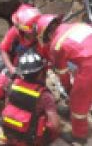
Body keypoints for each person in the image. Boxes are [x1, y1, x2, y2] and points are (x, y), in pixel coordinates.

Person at [36, 14, 92, 143]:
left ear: (47, 35)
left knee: (78, 104)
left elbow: (63, 73)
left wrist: (69, 91)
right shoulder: (77, 25)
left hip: (90, 66)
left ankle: (79, 135)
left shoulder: (56, 44)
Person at [0, 4, 42, 112]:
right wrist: (11, 68)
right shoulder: (16, 32)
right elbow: (3, 49)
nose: (16, 27)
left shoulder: (42, 38)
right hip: (16, 68)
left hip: (35, 72)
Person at [0, 50, 60, 145]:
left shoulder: (12, 85)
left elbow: (7, 105)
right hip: (30, 139)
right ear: (40, 73)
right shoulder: (44, 95)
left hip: (10, 134)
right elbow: (54, 125)